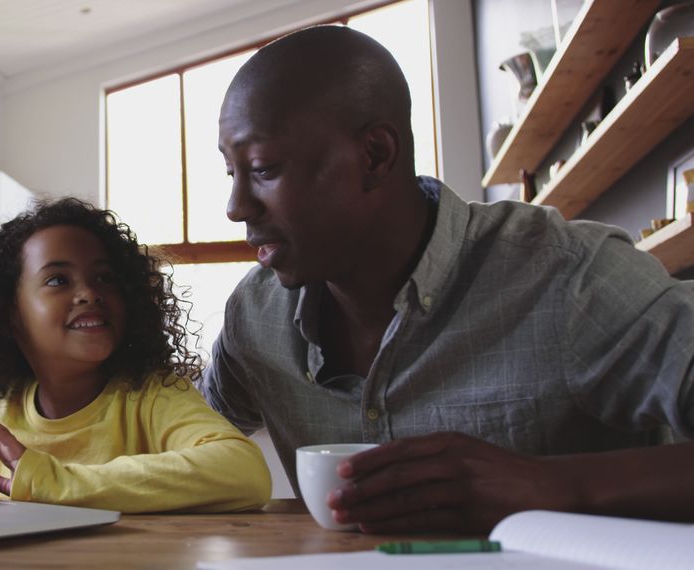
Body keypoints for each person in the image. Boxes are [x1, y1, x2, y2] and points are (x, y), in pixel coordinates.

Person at [201, 24, 694, 533]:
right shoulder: (253, 319)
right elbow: (178, 436)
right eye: (230, 173)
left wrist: (554, 485)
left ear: (375, 156)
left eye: (262, 169)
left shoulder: (572, 278)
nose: (236, 208)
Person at [0, 198, 271, 513]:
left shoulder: (152, 397)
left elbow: (243, 472)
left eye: (104, 277)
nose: (89, 292)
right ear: (10, 315)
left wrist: (55, 481)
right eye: (58, 279)